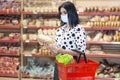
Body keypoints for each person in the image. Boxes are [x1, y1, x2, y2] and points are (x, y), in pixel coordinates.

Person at [40, 1, 86, 80]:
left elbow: (79, 53)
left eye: (65, 12)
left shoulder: (79, 29)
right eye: (61, 13)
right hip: (59, 65)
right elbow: (56, 52)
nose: (62, 15)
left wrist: (64, 51)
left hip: (72, 65)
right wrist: (49, 47)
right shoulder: (60, 30)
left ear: (71, 13)